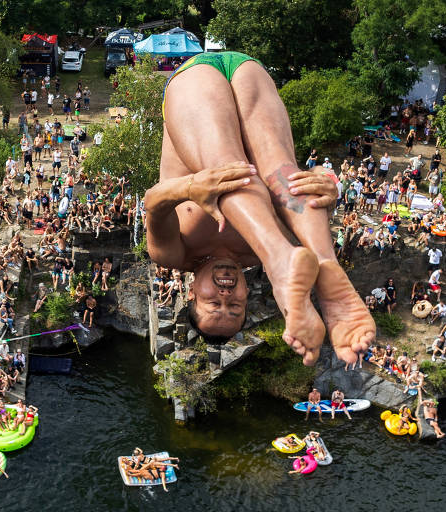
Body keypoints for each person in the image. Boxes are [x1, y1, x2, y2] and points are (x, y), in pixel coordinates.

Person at [145, 51, 374, 365]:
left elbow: (153, 202)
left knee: (225, 170)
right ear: (245, 296)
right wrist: (326, 184)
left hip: (193, 81)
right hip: (249, 71)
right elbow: (294, 192)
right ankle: (323, 263)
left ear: (191, 293)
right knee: (285, 174)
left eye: (214, 305)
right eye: (235, 308)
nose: (225, 298)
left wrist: (189, 187)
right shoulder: (254, 253)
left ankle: (282, 265)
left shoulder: (174, 254)